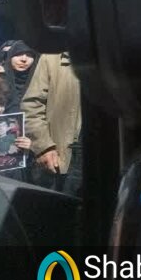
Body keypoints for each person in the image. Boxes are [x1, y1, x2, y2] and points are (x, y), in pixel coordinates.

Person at [20, 51, 82, 196]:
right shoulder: (52, 59)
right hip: (63, 154)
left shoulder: (113, 56)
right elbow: (32, 106)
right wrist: (44, 147)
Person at [1, 40, 38, 112]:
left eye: (29, 55)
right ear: (10, 57)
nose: (24, 59)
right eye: (18, 54)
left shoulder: (40, 81)